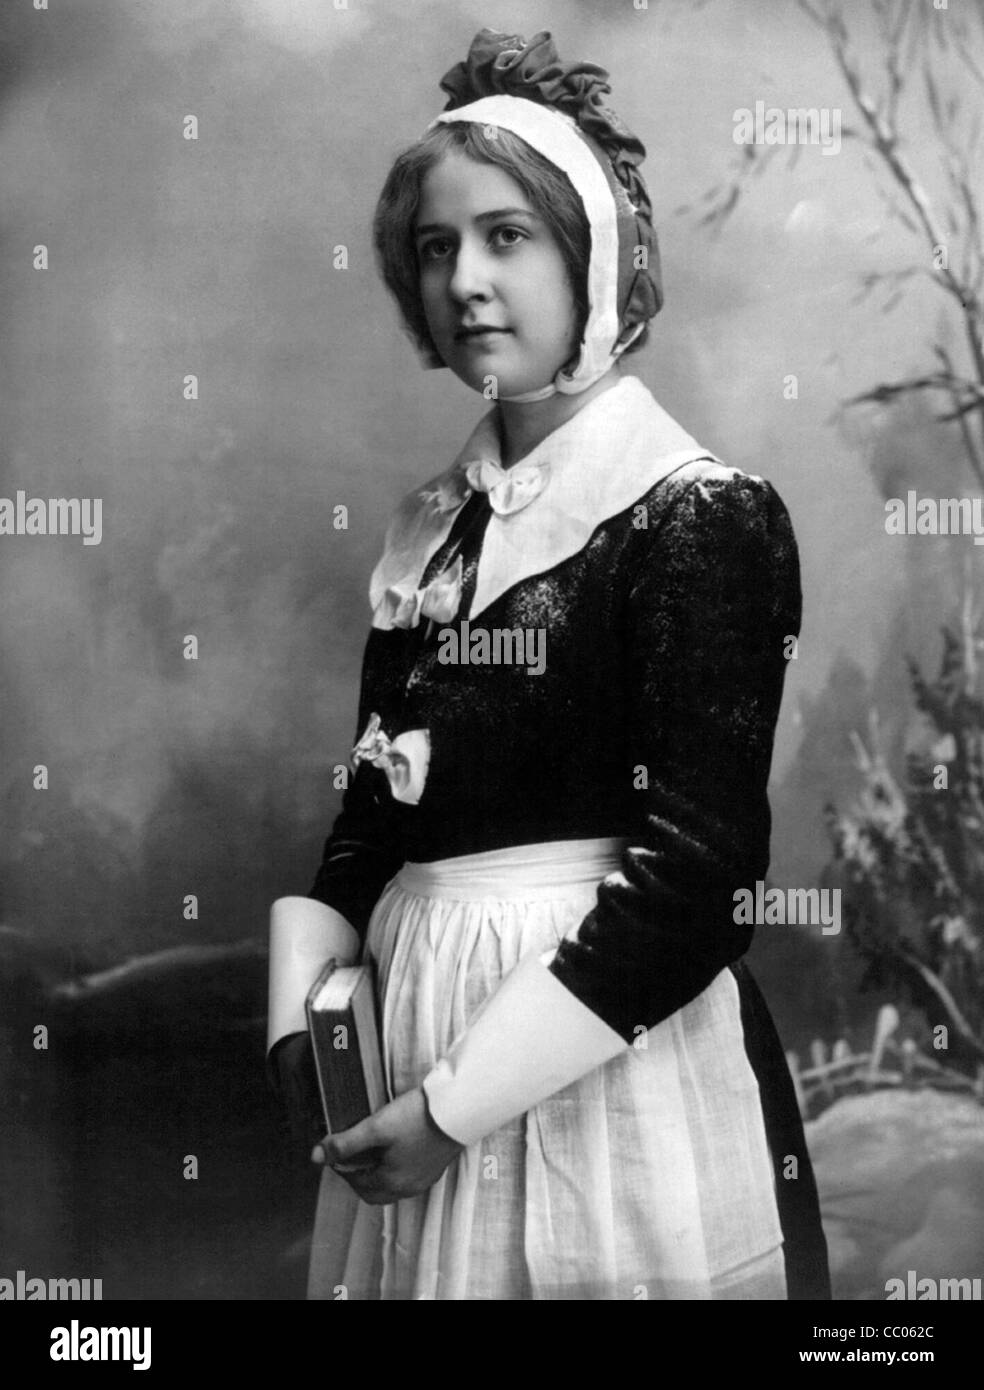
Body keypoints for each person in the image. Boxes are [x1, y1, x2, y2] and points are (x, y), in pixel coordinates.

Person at [268, 26, 831, 1301]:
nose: (465, 277)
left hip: (595, 1078)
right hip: (404, 1054)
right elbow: (370, 823)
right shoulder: (431, 528)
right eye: (436, 244)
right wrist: (305, 1034)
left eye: (508, 236)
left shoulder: (697, 516)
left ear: (596, 258)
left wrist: (458, 1108)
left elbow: (703, 878)